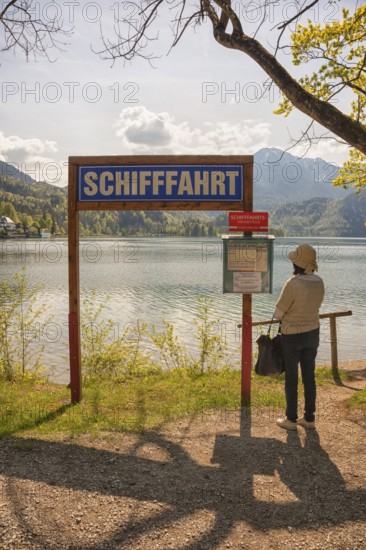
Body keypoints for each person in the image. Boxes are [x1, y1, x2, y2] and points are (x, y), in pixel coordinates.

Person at [274, 244, 325, 431]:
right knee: (309, 376)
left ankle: (291, 419)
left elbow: (278, 314)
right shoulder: (319, 281)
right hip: (313, 332)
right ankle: (309, 418)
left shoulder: (292, 283)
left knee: (292, 378)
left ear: (297, 264)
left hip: (292, 336)